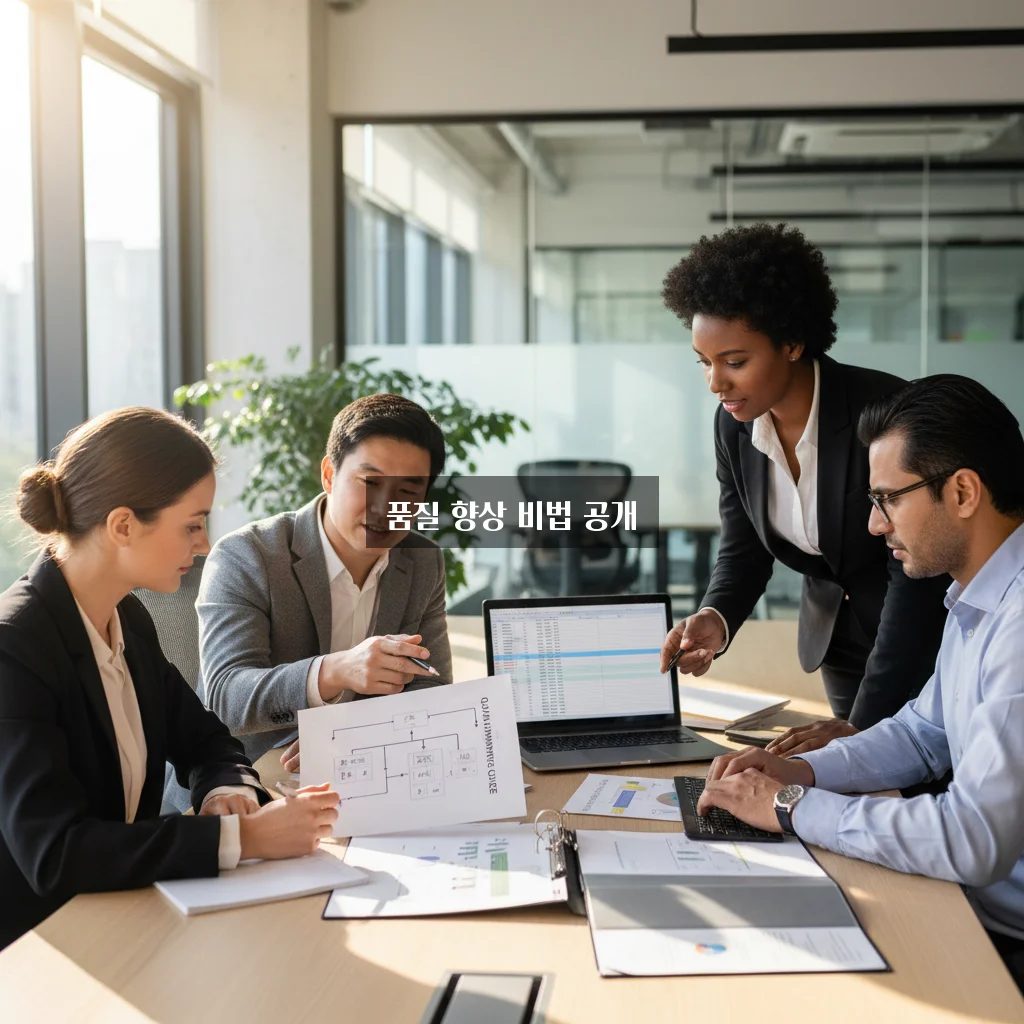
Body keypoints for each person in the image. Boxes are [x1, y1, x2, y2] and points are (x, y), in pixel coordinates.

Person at [696, 375, 1024, 989]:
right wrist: (801, 771)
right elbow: (924, 734)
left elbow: (973, 838)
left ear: (962, 491)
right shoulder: (979, 594)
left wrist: (790, 807)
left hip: (1003, 941)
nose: (875, 526)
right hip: (969, 908)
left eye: (889, 500)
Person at [0, 408, 338, 951]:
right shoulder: (15, 646)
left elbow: (205, 738)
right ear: (124, 525)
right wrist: (243, 838)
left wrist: (227, 790)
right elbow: (57, 854)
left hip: (123, 917)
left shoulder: (126, 619)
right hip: (41, 950)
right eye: (192, 523)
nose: (204, 544)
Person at [658, 223, 949, 755]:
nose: (715, 383)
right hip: (836, 636)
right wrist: (715, 617)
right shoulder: (735, 425)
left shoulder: (882, 413)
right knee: (853, 781)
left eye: (735, 361)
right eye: (705, 362)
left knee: (911, 777)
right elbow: (744, 545)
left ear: (792, 343)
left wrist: (864, 723)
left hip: (917, 635)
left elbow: (914, 569)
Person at [198, 393, 452, 773]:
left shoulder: (422, 562)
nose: (385, 508)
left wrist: (351, 733)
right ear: (329, 475)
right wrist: (335, 671)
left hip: (364, 774)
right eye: (370, 482)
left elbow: (432, 690)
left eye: (408, 491)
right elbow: (225, 698)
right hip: (243, 780)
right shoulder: (248, 556)